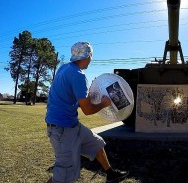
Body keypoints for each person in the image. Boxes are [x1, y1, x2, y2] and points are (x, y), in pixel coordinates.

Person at [45, 42, 128, 183]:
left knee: (96, 143)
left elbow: (72, 98)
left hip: (71, 124)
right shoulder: (78, 75)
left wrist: (91, 96)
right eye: (91, 56)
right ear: (88, 55)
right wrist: (104, 103)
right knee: (64, 175)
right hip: (61, 129)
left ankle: (111, 174)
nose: (91, 59)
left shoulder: (64, 68)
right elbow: (87, 110)